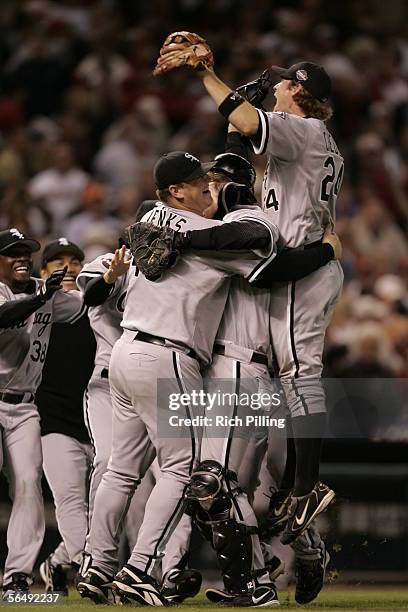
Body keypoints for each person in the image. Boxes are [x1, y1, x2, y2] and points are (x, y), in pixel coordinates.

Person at [77, 150, 280, 607]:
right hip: (167, 356)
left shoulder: (150, 221)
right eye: (198, 182)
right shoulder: (207, 232)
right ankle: (138, 568)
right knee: (181, 469)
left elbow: (95, 289)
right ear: (175, 191)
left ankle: (97, 565)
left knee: (121, 472)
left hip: (126, 354)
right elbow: (262, 239)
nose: (208, 187)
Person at [159, 52, 344, 545]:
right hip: (308, 262)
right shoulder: (318, 141)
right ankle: (294, 487)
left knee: (302, 377)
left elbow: (242, 120)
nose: (278, 88)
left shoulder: (300, 130)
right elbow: (240, 141)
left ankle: (305, 486)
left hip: (304, 266)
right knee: (295, 379)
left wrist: (206, 75)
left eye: (285, 85)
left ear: (299, 94)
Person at [77, 231, 201, 605]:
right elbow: (90, 296)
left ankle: (163, 568)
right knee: (144, 470)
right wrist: (112, 277)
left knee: (141, 474)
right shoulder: (116, 262)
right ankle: (118, 563)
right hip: (122, 375)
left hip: (133, 372)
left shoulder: (174, 269)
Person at [0, 228, 85, 600]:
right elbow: (5, 316)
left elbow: (85, 303)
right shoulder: (31, 294)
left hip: (25, 407)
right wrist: (44, 296)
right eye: (11, 252)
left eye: (26, 251)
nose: (21, 257)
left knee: (29, 482)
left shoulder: (43, 289)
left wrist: (110, 280)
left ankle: (17, 575)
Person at [36, 238, 96, 595]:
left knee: (108, 509)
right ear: (43, 272)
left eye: (75, 260)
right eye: (57, 261)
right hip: (52, 417)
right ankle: (93, 571)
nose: (68, 266)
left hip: (96, 417)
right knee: (72, 499)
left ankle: (57, 561)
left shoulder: (99, 304)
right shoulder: (34, 308)